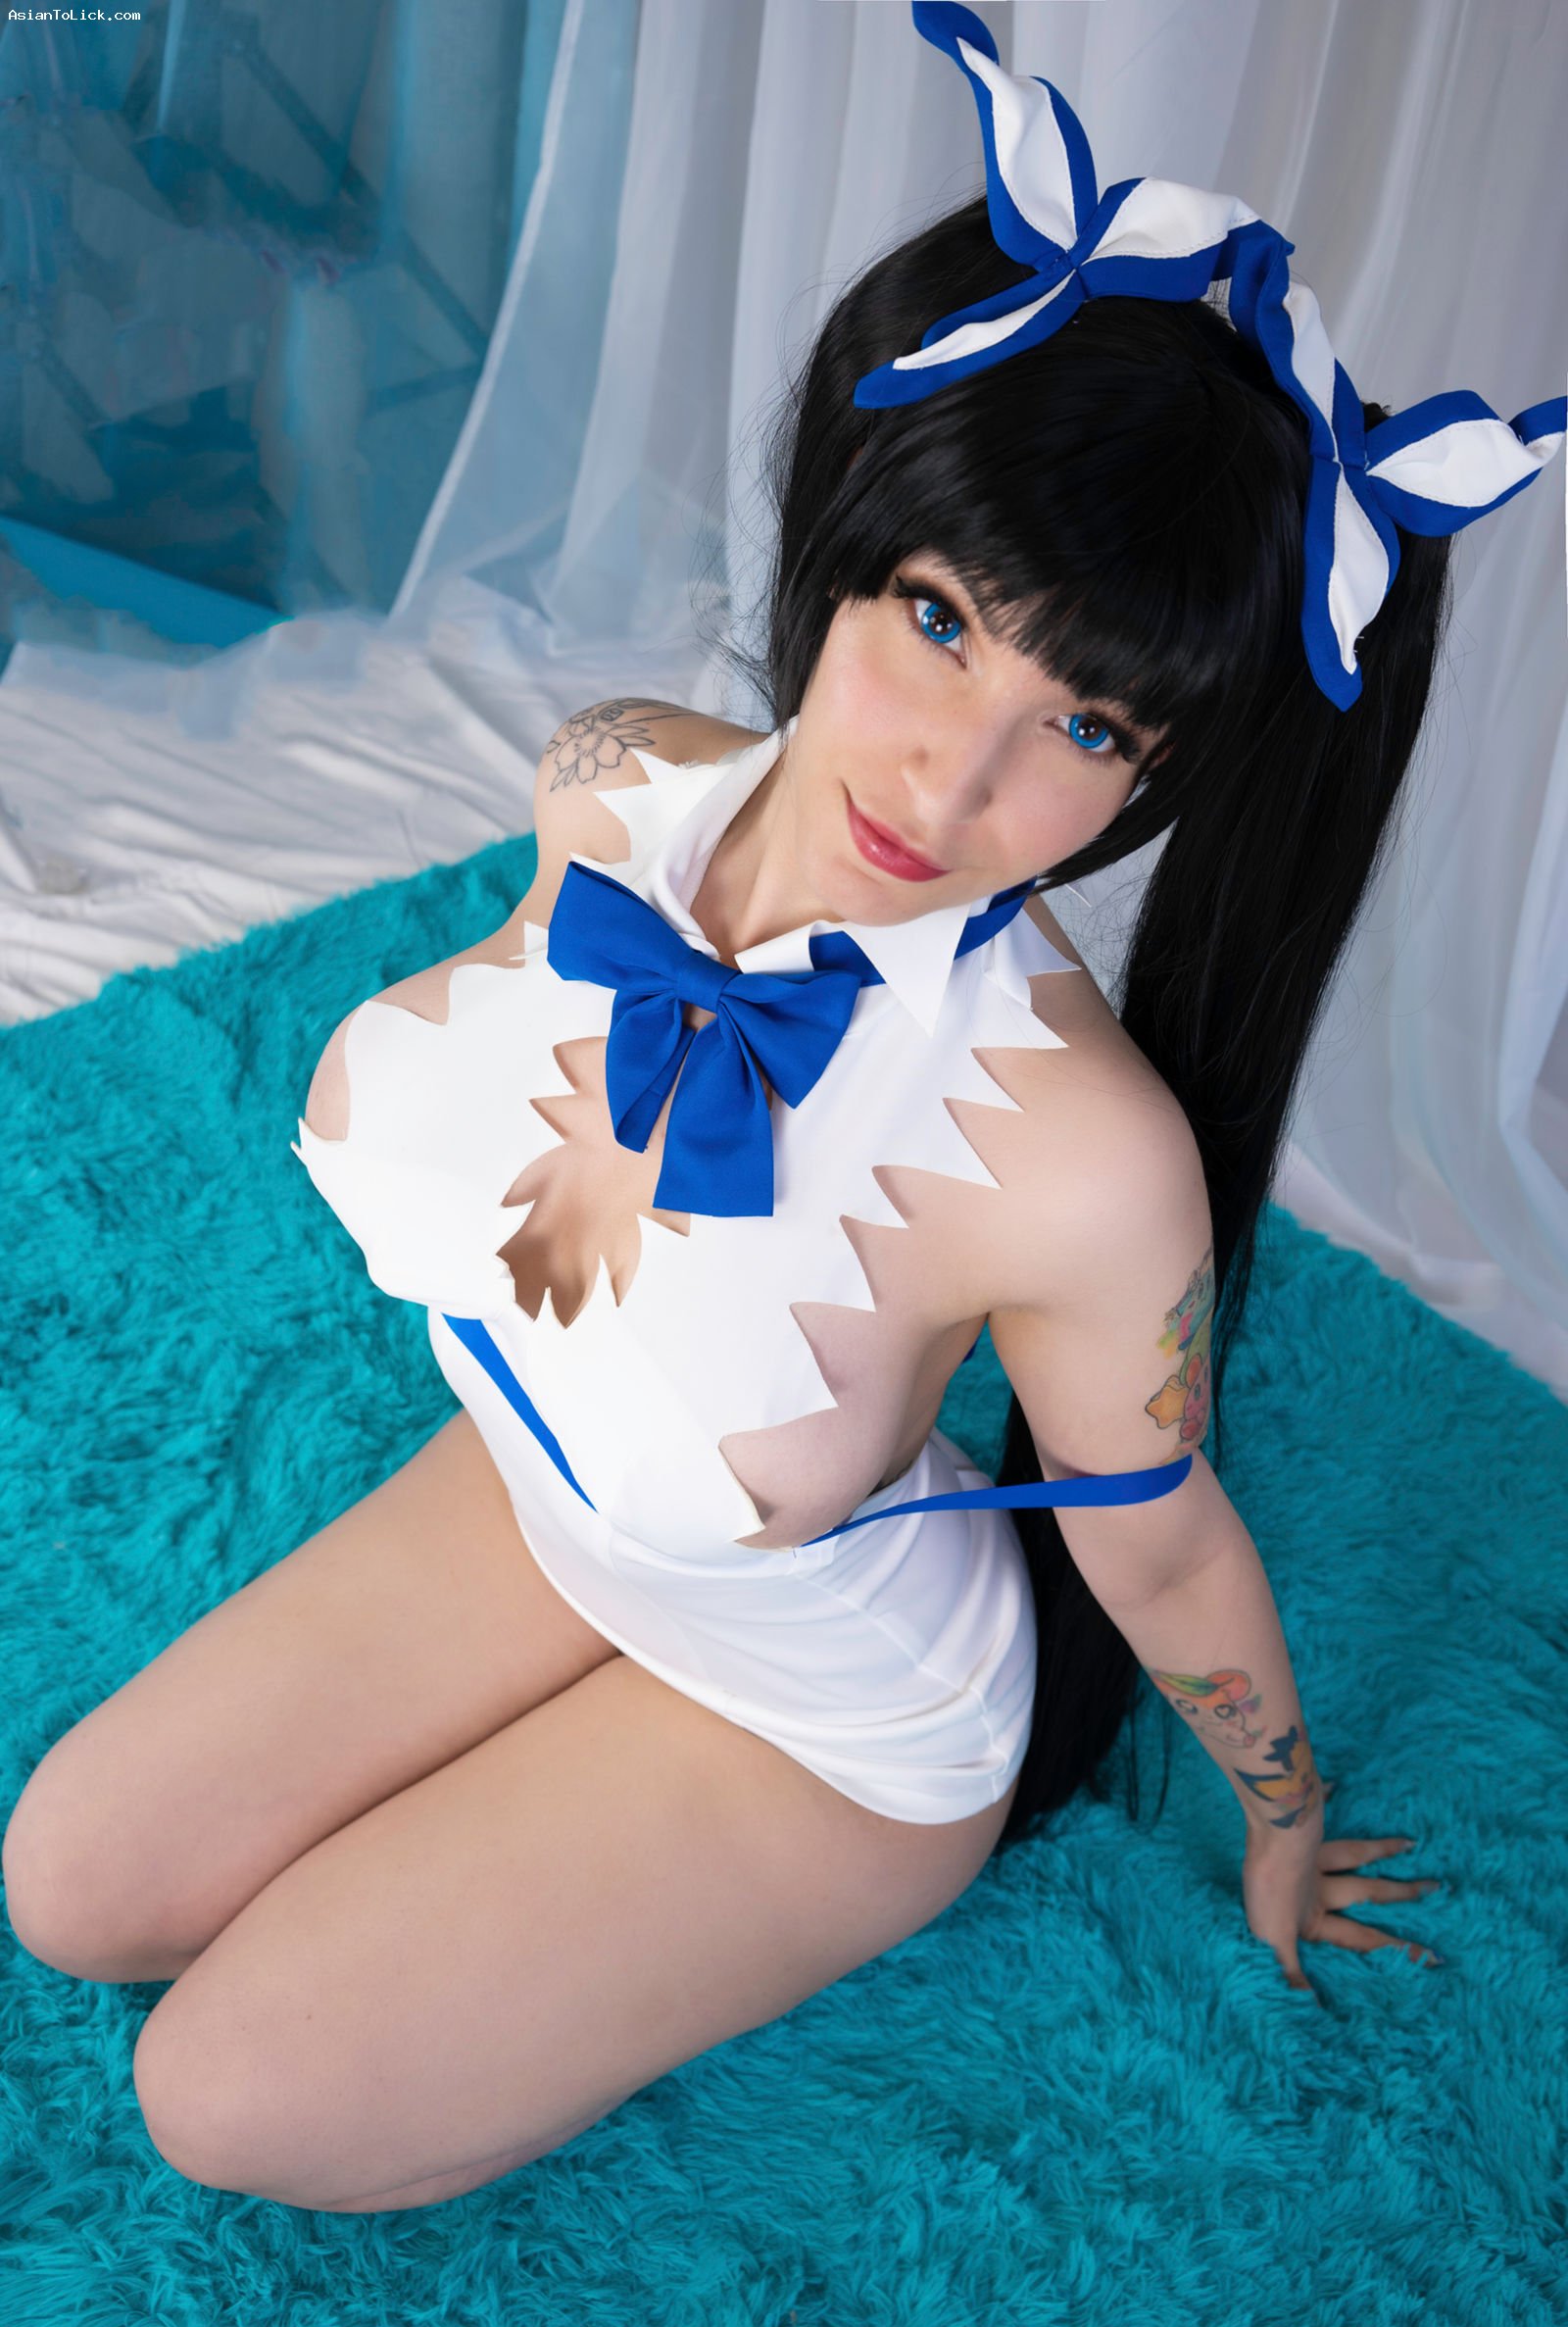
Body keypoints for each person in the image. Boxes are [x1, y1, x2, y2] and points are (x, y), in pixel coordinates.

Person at [5, 0, 1560, 2215]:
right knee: (72, 1879)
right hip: (548, 1503)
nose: (951, 773)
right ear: (846, 536)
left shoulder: (1082, 1162)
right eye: (935, 617)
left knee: (224, 2099)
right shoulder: (614, 781)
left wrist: (1284, 1811)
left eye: (1089, 729)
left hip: (823, 1719)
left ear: (1170, 773)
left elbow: (1159, 1536)